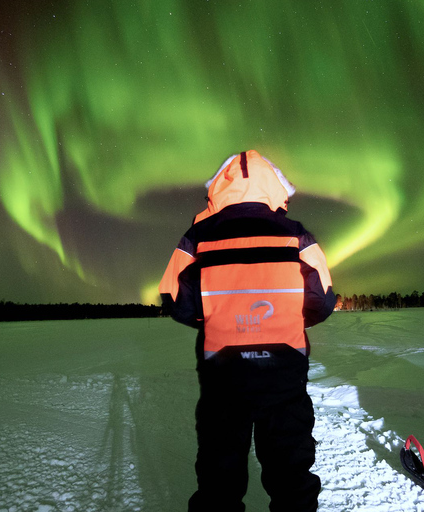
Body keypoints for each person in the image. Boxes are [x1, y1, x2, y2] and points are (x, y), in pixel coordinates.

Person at [159, 150, 336, 512]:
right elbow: (323, 301)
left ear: (220, 189)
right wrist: (285, 317)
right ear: (273, 187)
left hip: (224, 380)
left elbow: (175, 299)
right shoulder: (297, 236)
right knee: (292, 481)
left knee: (218, 483)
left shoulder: (198, 237)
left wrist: (218, 317)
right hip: (284, 378)